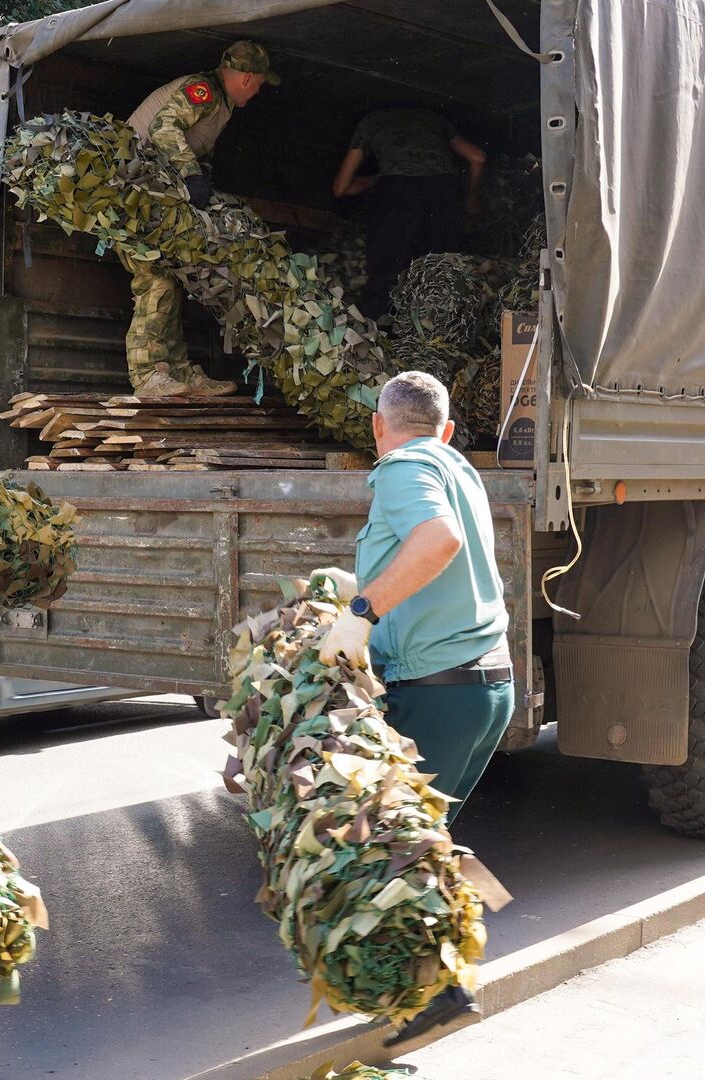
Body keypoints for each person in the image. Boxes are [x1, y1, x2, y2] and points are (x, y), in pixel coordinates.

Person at [312, 370, 513, 1052]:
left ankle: (438, 992)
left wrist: (363, 613)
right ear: (448, 428)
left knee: (389, 845)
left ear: (377, 425)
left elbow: (438, 542)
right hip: (486, 686)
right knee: (423, 836)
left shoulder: (402, 467)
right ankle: (446, 977)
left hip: (441, 690)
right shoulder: (458, 465)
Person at [117, 39, 280, 398]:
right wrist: (191, 175)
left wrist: (201, 185)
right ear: (248, 79)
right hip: (131, 195)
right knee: (155, 278)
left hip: (154, 195)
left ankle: (176, 372)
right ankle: (147, 376)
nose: (256, 95)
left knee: (171, 279)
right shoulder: (203, 90)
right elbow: (163, 128)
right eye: (259, 86)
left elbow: (195, 152)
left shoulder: (221, 104)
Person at [331, 108, 488, 321]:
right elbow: (478, 157)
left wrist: (379, 180)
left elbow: (341, 188)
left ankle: (372, 335)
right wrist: (471, 198)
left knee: (385, 270)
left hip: (398, 192)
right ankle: (440, 331)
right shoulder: (436, 119)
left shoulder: (370, 121)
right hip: (444, 192)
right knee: (442, 271)